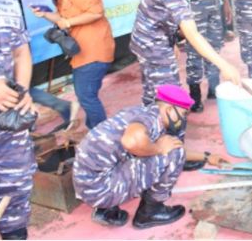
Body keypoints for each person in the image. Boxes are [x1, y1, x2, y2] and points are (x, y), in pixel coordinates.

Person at [73, 84, 228, 229]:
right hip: (101, 189)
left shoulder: (143, 113)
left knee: (160, 150)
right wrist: (159, 148)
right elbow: (133, 141)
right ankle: (151, 212)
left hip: (88, 186)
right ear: (169, 109)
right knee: (174, 155)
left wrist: (207, 157)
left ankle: (106, 211)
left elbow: (165, 145)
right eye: (182, 114)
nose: (182, 120)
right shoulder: (151, 120)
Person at [131, 0, 240, 107]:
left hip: (159, 36)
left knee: (154, 92)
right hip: (152, 43)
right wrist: (224, 65)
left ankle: (152, 123)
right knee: (171, 99)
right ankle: (167, 131)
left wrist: (171, 41)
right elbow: (192, 33)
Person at [32, 0, 114, 130]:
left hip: (94, 50)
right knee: (86, 94)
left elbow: (96, 12)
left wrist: (68, 22)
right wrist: (45, 14)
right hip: (82, 51)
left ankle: (103, 137)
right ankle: (96, 130)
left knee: (86, 96)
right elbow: (63, 17)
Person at [0, 0, 37, 240]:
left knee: (18, 182)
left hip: (8, 121)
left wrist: (23, 92)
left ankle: (14, 232)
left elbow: (22, 52)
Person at [171, 0, 225, 113]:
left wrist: (225, 6)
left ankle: (213, 87)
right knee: (194, 52)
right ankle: (195, 95)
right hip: (192, 10)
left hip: (213, 8)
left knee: (214, 47)